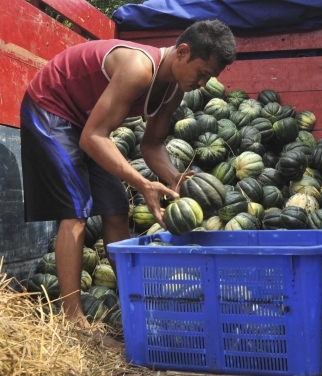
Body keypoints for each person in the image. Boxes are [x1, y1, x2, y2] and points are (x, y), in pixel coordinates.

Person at [20, 19, 236, 348]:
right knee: (76, 209)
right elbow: (94, 138)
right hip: (51, 108)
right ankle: (73, 322)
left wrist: (174, 177)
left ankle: (134, 304)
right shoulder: (138, 67)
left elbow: (151, 145)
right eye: (202, 73)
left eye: (210, 78)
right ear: (182, 52)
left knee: (117, 210)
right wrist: (143, 184)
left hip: (89, 123)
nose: (204, 82)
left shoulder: (175, 88)